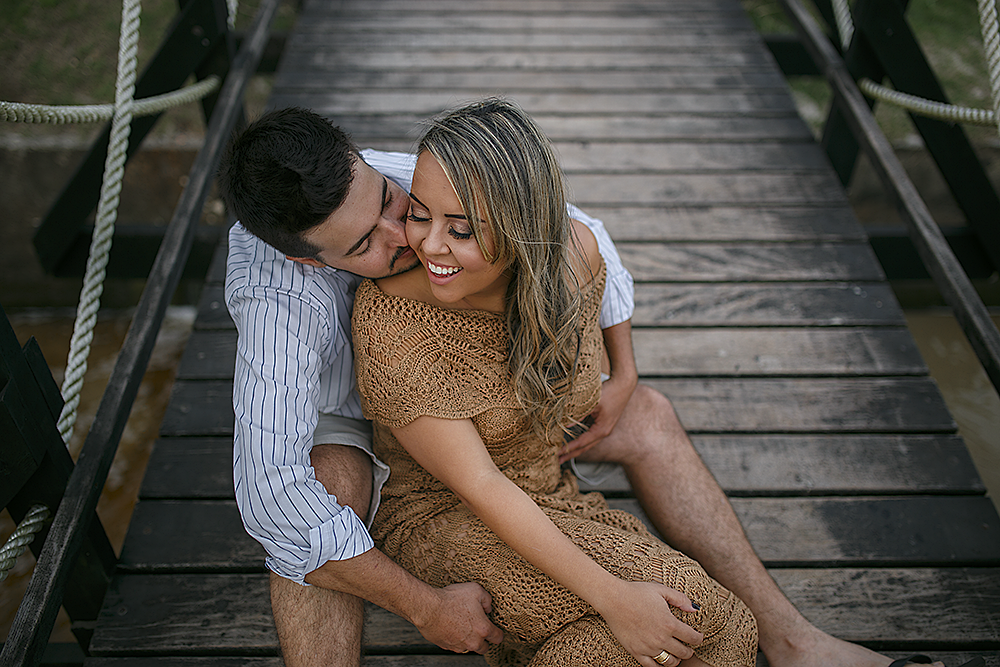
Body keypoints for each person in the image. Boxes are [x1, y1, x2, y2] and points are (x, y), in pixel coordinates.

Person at [218, 105, 945, 667]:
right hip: (372, 436)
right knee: (326, 485)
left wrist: (623, 371)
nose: (407, 235)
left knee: (650, 420)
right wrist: (424, 607)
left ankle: (795, 642)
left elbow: (564, 223)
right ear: (315, 262)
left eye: (392, 204)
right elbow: (276, 497)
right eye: (367, 242)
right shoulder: (284, 305)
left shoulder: (407, 184)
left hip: (512, 432)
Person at [351, 97, 758, 667]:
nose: (430, 245)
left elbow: (603, 286)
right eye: (420, 215)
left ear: (523, 231)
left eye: (461, 228)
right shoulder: (396, 325)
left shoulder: (574, 259)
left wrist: (626, 370)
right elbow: (483, 486)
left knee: (686, 632)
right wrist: (615, 597)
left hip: (551, 492)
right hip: (445, 520)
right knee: (710, 620)